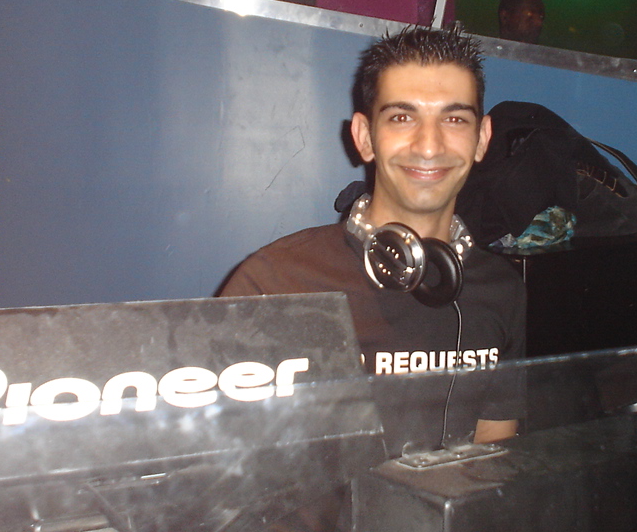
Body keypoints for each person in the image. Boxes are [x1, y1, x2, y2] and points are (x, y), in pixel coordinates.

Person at [219, 26, 526, 456]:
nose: (429, 145)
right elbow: (226, 463)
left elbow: (495, 449)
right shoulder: (274, 283)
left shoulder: (502, 288)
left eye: (454, 119)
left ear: (482, 139)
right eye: (402, 117)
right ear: (365, 137)